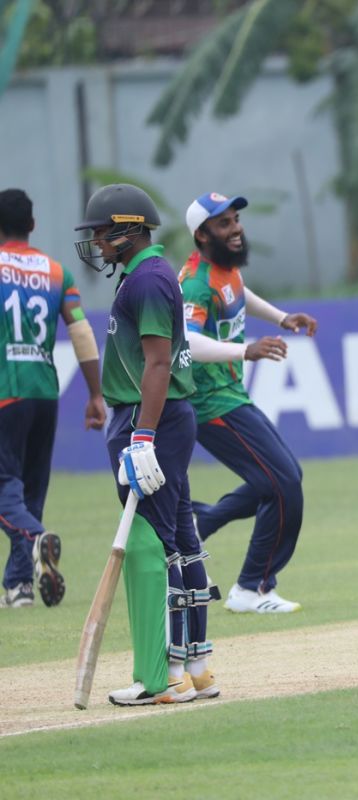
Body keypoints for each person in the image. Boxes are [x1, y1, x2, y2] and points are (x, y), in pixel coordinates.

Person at [73, 183, 216, 705]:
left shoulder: (149, 280)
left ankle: (162, 677)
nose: (96, 242)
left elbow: (158, 364)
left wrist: (142, 436)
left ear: (127, 228)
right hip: (157, 417)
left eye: (101, 232)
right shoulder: (147, 275)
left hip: (148, 417)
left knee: (154, 542)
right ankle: (196, 667)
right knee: (179, 536)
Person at [179, 192, 317, 613]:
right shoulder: (195, 281)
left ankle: (203, 522)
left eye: (236, 219)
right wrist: (245, 350)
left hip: (230, 394)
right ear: (202, 234)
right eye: (224, 224)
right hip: (209, 401)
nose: (236, 228)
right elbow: (185, 339)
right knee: (283, 484)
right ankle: (251, 589)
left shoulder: (225, 271)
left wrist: (280, 318)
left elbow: (239, 293)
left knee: (281, 477)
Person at [0, 189, 105, 609]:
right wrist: (95, 393)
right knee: (30, 490)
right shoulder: (56, 271)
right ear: (32, 225)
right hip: (46, 390)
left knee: (6, 488)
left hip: (6, 391)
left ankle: (35, 538)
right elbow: (80, 332)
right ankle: (20, 584)